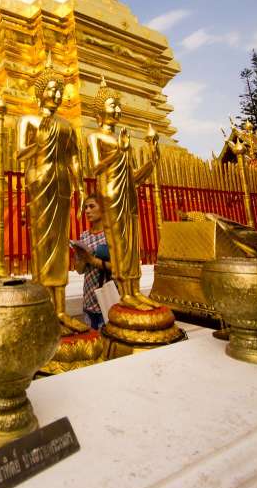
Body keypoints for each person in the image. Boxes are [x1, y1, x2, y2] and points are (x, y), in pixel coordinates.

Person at [17, 59, 87, 333]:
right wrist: (39, 141)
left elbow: (73, 158)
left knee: (59, 248)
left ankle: (60, 310)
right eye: (51, 89)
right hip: (39, 181)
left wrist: (80, 186)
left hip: (60, 184)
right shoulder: (29, 120)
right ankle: (44, 308)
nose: (57, 95)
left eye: (60, 90)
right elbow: (20, 153)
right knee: (41, 245)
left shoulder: (67, 125)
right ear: (39, 92)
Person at [87, 78, 161, 310]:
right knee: (118, 245)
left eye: (118, 105)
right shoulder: (95, 137)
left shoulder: (122, 140)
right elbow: (96, 167)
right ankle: (124, 293)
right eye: (112, 105)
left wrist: (153, 157)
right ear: (100, 110)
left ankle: (135, 290)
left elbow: (134, 177)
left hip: (128, 194)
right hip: (110, 195)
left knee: (132, 244)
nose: (117, 110)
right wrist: (119, 150)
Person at [73, 195, 112, 329]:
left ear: (103, 208)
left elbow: (118, 268)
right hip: (89, 297)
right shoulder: (84, 236)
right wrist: (80, 256)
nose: (87, 211)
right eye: (85, 207)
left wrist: (92, 260)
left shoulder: (111, 235)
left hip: (107, 297)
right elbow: (79, 270)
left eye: (92, 206)